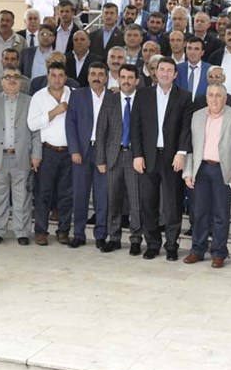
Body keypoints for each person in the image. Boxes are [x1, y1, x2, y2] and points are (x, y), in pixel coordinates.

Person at [130, 57, 193, 260]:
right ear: (155, 72)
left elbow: (186, 127)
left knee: (173, 203)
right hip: (148, 157)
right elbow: (135, 128)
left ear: (175, 74)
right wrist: (137, 154)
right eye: (161, 69)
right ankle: (153, 244)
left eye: (169, 70)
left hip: (172, 157)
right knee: (148, 203)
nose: (165, 73)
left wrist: (181, 153)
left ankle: (172, 245)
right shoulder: (142, 95)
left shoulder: (184, 96)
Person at [182, 84, 231, 267]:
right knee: (199, 213)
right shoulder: (197, 116)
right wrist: (188, 172)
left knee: (221, 214)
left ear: (225, 98)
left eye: (218, 95)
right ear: (206, 98)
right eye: (211, 95)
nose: (214, 99)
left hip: (223, 170)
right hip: (201, 169)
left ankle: (219, 253)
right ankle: (197, 250)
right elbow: (191, 146)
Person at [0, 67, 39, 245]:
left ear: (21, 81)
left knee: (22, 198)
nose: (12, 80)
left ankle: (22, 232)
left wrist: (36, 154)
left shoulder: (30, 102)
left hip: (22, 157)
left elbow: (36, 131)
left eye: (16, 77)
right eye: (7, 77)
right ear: (1, 81)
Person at [95, 65, 143, 255]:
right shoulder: (110, 100)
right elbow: (101, 130)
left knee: (136, 201)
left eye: (130, 77)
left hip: (135, 157)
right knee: (112, 200)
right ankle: (114, 237)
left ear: (137, 80)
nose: (126, 81)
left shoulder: (143, 100)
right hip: (113, 157)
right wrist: (101, 159)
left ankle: (136, 239)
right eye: (123, 77)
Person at [27, 62, 74, 246]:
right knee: (43, 194)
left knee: (66, 195)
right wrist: (54, 112)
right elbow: (32, 124)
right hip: (47, 151)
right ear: (47, 76)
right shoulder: (38, 97)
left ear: (66, 77)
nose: (57, 79)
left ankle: (63, 231)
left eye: (61, 75)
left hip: (69, 152)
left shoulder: (73, 94)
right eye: (53, 75)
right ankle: (41, 232)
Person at [66, 62, 110, 249]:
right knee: (80, 195)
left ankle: (101, 235)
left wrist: (108, 155)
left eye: (100, 74)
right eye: (93, 74)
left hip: (104, 153)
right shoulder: (77, 95)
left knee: (102, 196)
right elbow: (70, 123)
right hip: (82, 152)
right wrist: (74, 150)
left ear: (106, 78)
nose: (96, 78)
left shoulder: (113, 97)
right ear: (88, 76)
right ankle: (78, 234)